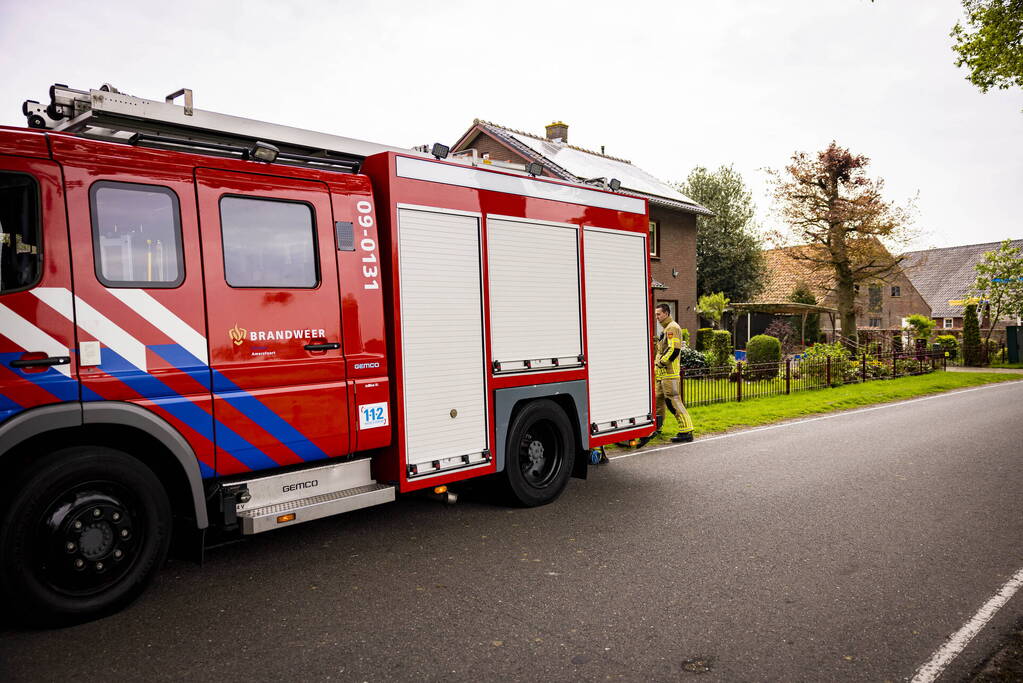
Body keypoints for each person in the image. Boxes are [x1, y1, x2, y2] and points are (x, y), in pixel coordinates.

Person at [637, 303, 694, 447]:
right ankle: (656, 428)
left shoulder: (672, 328)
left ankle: (687, 431)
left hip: (669, 374)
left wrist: (662, 362)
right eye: (656, 314)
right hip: (662, 374)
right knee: (658, 401)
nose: (656, 317)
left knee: (673, 401)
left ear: (667, 313)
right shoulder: (666, 328)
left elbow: (674, 349)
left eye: (659, 314)